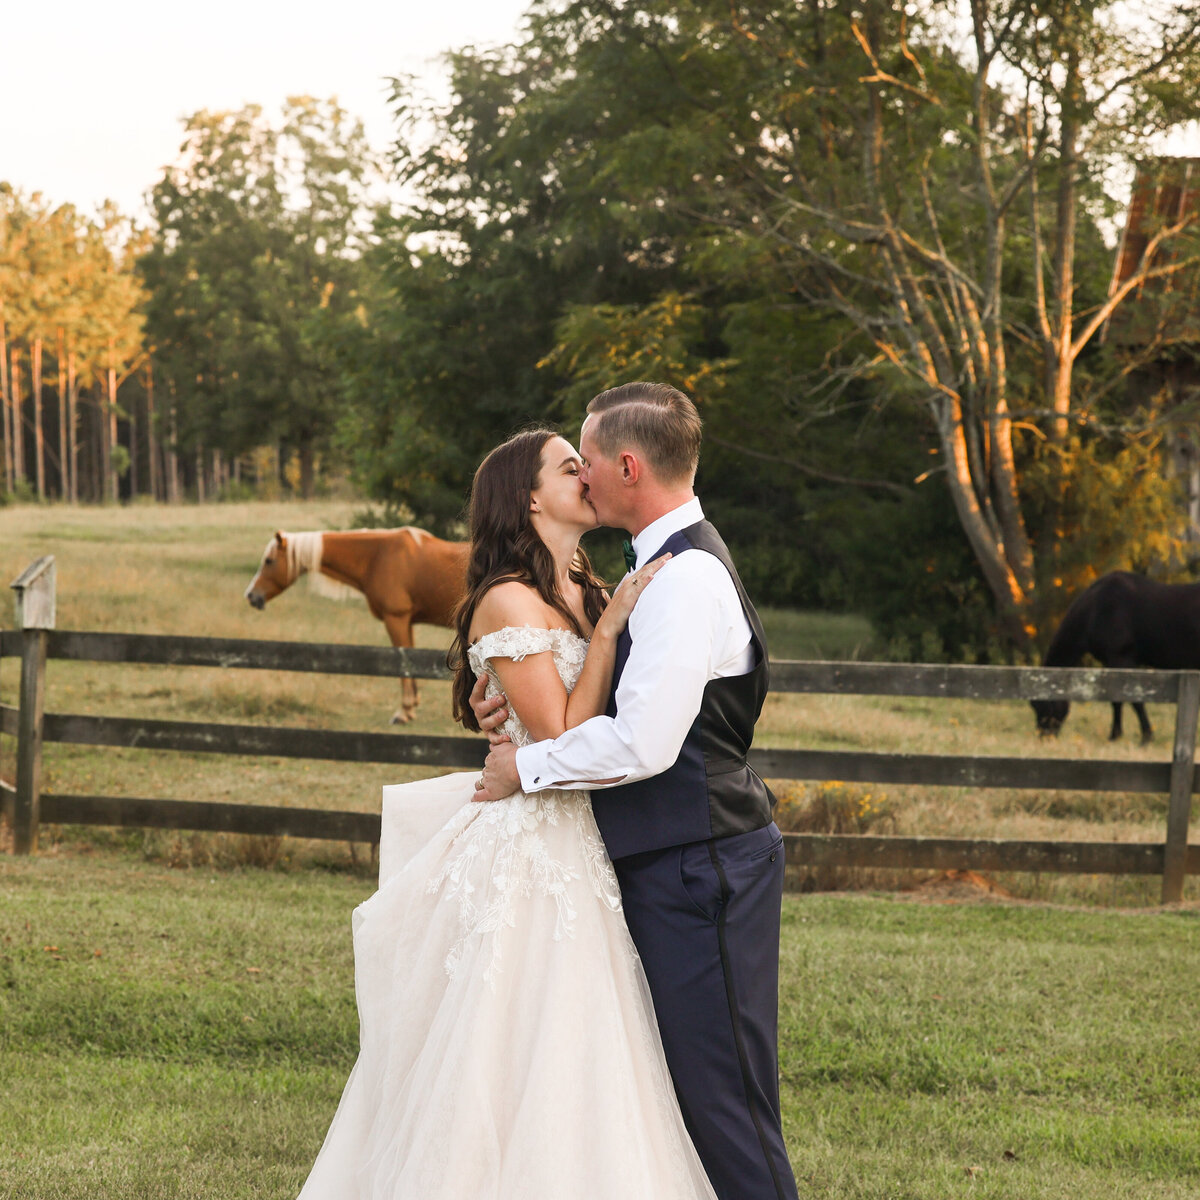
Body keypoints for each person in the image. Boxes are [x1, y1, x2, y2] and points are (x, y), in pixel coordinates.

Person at [295, 427, 716, 1200]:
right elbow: (559, 735)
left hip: (583, 839)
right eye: (568, 467)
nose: (587, 475)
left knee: (585, 1039)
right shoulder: (507, 598)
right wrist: (609, 633)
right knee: (508, 1032)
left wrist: (604, 623)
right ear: (530, 497)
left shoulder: (584, 583)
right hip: (530, 847)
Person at [472, 383, 800, 1200]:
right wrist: (502, 706)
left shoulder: (686, 578)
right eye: (567, 467)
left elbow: (648, 743)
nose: (582, 478)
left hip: (701, 864)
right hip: (659, 861)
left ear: (626, 465)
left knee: (722, 1104)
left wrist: (526, 768)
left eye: (588, 461)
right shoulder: (638, 571)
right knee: (667, 1103)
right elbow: (575, 689)